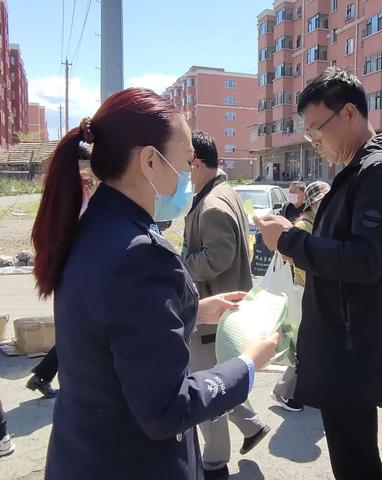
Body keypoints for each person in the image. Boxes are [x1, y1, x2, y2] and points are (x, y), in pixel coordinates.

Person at [31, 88, 278, 480]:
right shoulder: (139, 254)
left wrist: (192, 309)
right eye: (185, 161)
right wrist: (247, 365)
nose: (188, 174)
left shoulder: (95, 226)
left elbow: (114, 327)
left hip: (84, 454)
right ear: (149, 161)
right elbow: (167, 408)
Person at [256, 67, 382, 480]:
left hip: (354, 346)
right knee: (353, 457)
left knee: (356, 463)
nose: (313, 140)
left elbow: (366, 259)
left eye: (317, 128)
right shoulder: (358, 170)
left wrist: (290, 241)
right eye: (308, 132)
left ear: (350, 113)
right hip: (345, 340)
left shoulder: (380, 171)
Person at [183, 130, 270, 479]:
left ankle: (215, 463)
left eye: (185, 163)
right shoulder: (223, 192)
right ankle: (251, 425)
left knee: (208, 390)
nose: (182, 171)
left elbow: (218, 257)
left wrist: (180, 264)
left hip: (213, 315)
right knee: (218, 380)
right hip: (223, 312)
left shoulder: (213, 204)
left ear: (197, 163)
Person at [26, 170, 98, 400]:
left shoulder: (60, 198)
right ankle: (44, 376)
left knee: (75, 330)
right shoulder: (82, 198)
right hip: (80, 273)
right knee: (79, 332)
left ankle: (43, 375)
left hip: (69, 272)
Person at [272, 180, 331, 412]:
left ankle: (308, 389)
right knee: (305, 345)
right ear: (312, 203)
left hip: (313, 290)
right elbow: (296, 258)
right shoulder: (305, 225)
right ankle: (285, 391)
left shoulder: (319, 223)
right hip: (304, 291)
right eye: (322, 200)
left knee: (314, 344)